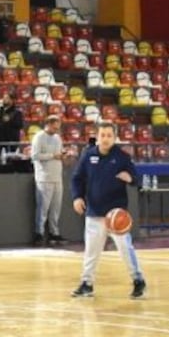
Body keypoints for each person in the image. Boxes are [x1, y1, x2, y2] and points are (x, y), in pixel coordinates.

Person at [70, 121, 147, 299]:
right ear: (97, 137)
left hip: (116, 215)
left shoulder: (122, 157)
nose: (105, 139)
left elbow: (137, 179)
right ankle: (87, 283)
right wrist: (77, 197)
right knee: (91, 251)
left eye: (109, 136)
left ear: (115, 138)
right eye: (102, 135)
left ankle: (138, 280)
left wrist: (131, 179)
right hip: (94, 212)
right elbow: (77, 179)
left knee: (125, 249)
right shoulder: (88, 156)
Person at [31, 115, 66, 246]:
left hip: (57, 177)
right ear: (48, 124)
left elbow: (59, 153)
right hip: (44, 178)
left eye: (58, 127)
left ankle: (54, 233)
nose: (56, 130)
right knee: (43, 208)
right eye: (54, 127)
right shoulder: (39, 137)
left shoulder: (57, 138)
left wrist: (63, 155)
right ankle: (39, 234)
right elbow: (35, 156)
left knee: (56, 208)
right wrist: (53, 156)